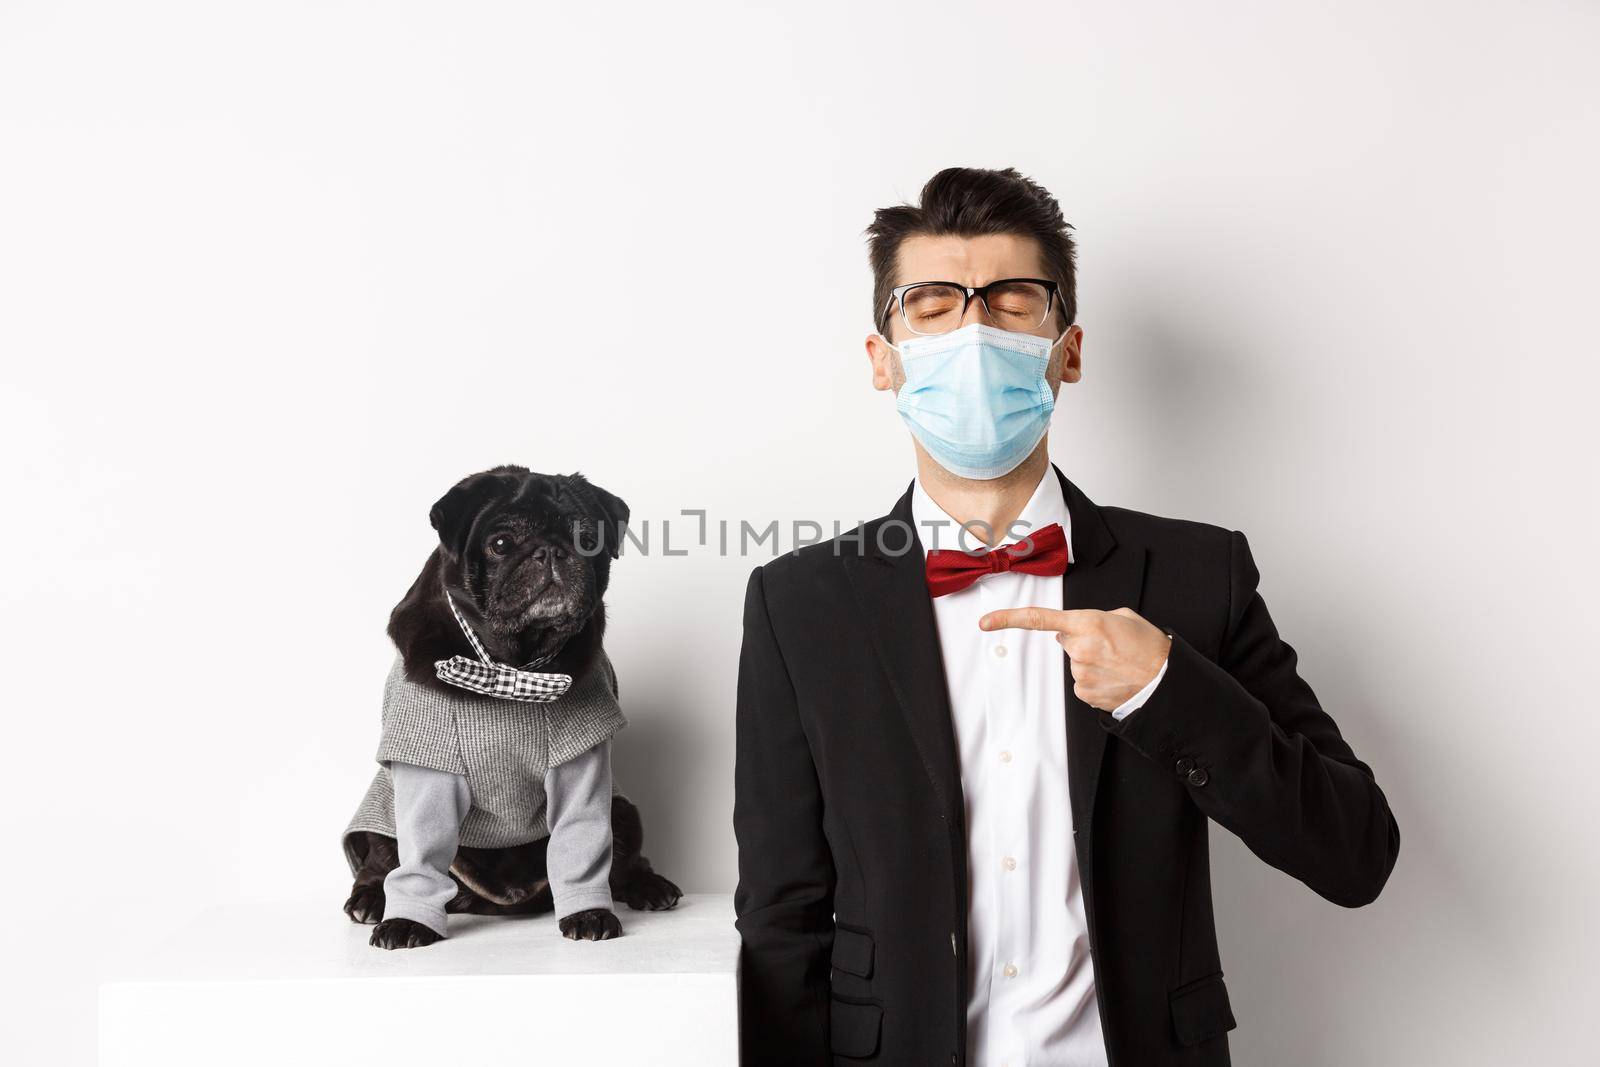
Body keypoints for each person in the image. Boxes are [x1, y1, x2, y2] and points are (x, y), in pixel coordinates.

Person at [731, 166, 1400, 1066]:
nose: (972, 329)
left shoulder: (1201, 574)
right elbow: (781, 919)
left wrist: (1168, 687)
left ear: (1068, 349)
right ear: (881, 357)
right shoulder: (798, 602)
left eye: (1010, 300)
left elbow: (1356, 852)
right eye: (932, 303)